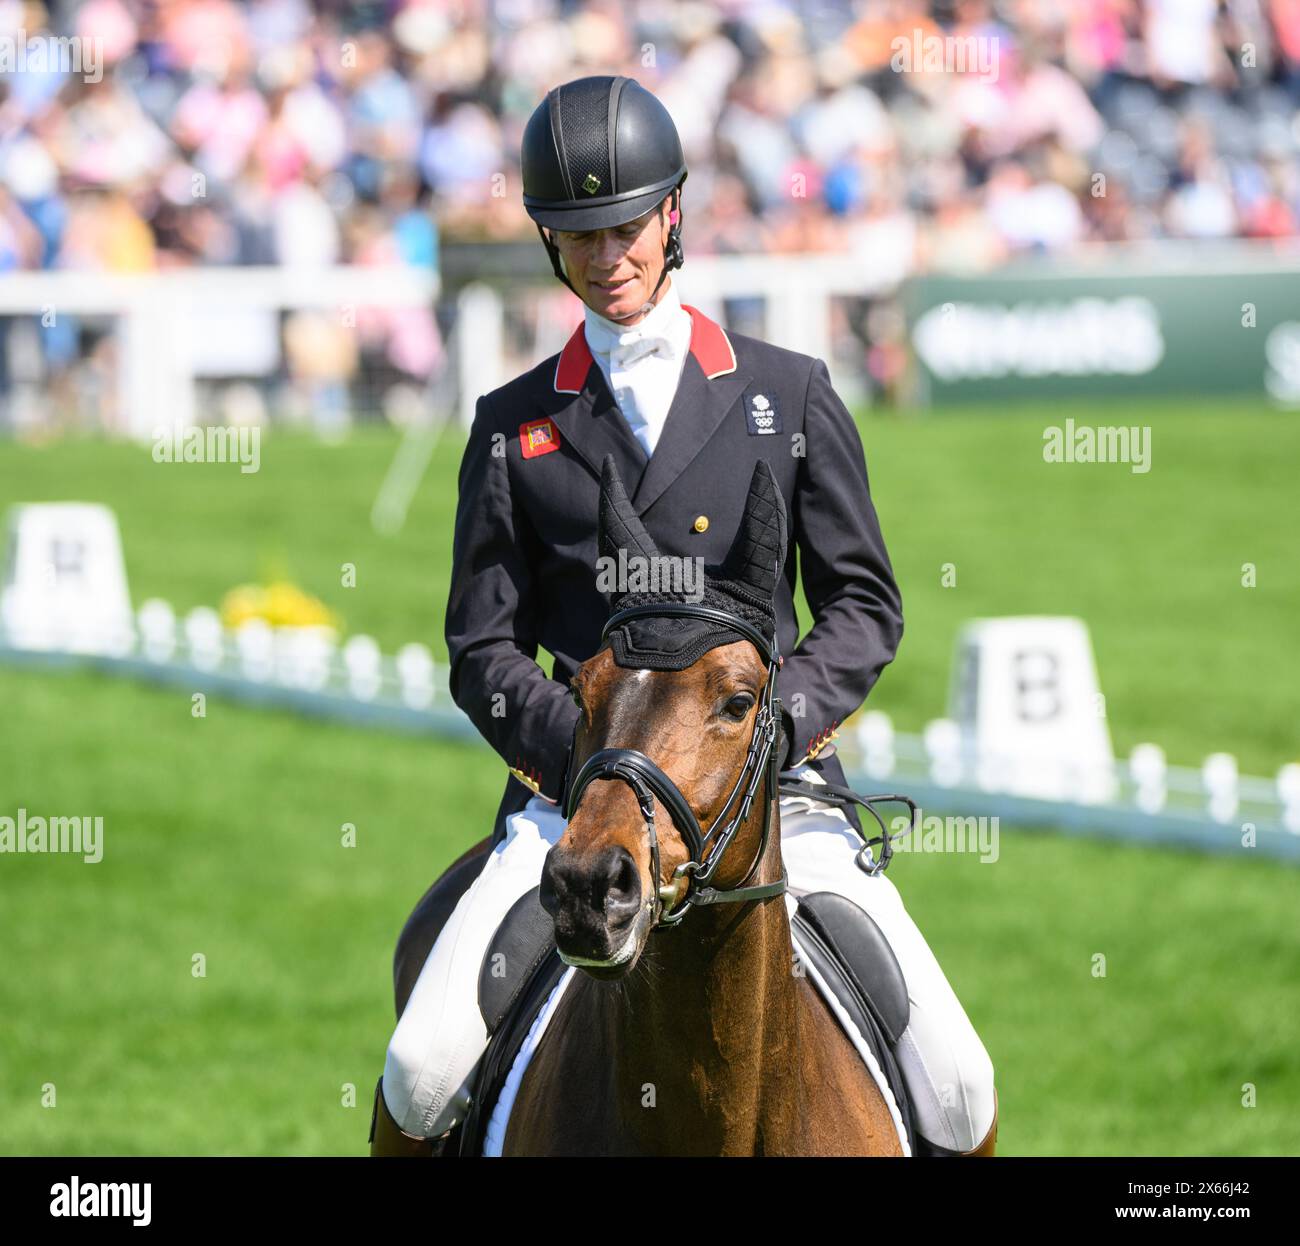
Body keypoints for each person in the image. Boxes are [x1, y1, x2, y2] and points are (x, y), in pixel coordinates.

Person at [370, 74, 996, 1157]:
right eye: (578, 235)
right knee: (421, 1073)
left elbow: (861, 601)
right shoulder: (512, 427)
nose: (608, 256)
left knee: (958, 1083)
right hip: (579, 806)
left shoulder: (789, 392)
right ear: (548, 244)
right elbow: (481, 648)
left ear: (670, 216)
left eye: (625, 226)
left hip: (773, 799)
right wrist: (605, 759)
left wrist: (774, 725)